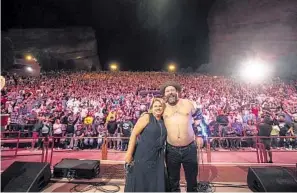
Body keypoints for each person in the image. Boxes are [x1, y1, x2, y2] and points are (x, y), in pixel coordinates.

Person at [161, 81, 200, 192]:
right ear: (164, 94)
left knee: (192, 179)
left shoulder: (188, 103)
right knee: (173, 180)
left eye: (173, 90)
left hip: (189, 148)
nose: (170, 92)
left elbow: (199, 118)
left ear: (177, 92)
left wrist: (200, 134)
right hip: (171, 149)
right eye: (167, 91)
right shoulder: (162, 107)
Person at [124, 98, 167, 192]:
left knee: (154, 181)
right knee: (141, 180)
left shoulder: (164, 120)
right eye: (155, 106)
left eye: (160, 106)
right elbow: (134, 134)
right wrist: (129, 154)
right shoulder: (147, 117)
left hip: (158, 157)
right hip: (143, 154)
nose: (158, 108)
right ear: (151, 107)